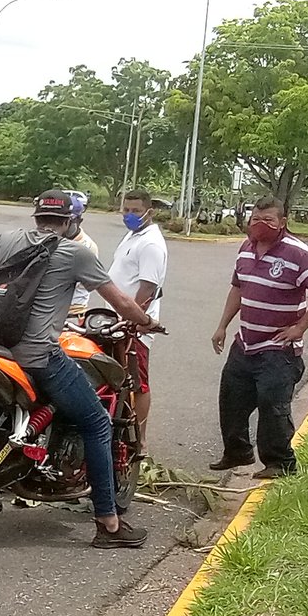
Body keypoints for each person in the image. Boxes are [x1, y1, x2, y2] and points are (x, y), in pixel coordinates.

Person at [0, 196, 160, 548]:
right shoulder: (75, 252)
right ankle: (108, 523)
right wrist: (148, 322)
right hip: (38, 354)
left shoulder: (6, 240)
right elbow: (120, 302)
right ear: (69, 222)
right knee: (96, 421)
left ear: (37, 218)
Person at [209, 197, 308, 479]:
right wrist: (223, 326)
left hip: (278, 349)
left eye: (268, 220)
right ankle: (237, 452)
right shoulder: (245, 249)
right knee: (231, 398)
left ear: (282, 223)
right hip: (246, 342)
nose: (260, 225)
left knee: (273, 405)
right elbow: (237, 289)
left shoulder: (298, 253)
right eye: (256, 219)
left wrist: (300, 327)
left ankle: (280, 462)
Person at [108, 187, 169, 441]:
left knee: (138, 383)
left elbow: (149, 287)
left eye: (136, 211)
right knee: (117, 380)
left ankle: (139, 441)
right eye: (127, 210)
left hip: (135, 328)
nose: (130, 215)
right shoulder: (133, 236)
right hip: (117, 323)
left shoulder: (151, 243)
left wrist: (134, 319)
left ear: (149, 213)